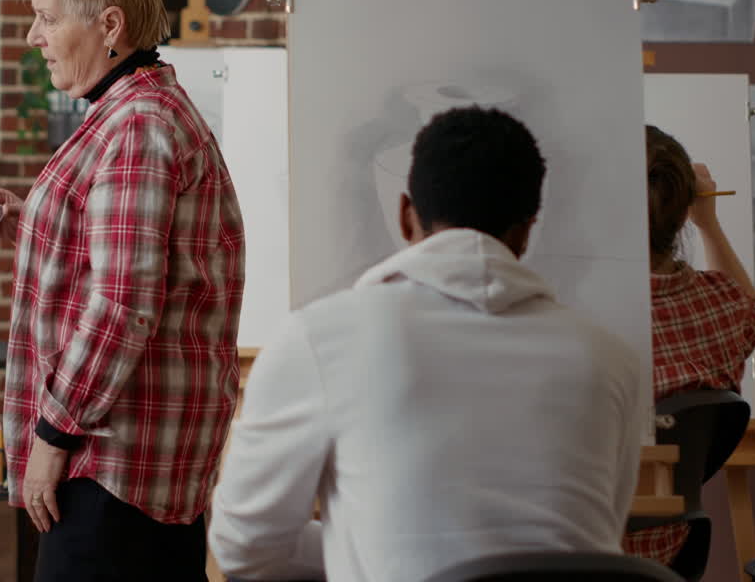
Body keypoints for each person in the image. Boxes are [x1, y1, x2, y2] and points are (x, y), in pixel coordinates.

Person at [208, 106, 648, 582]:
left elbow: (242, 548)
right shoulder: (612, 361)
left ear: (405, 215)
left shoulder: (319, 340)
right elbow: (596, 535)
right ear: (526, 229)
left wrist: (361, 543)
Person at [0, 0, 245, 581]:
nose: (33, 37)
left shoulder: (135, 128)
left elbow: (121, 305)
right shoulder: (134, 112)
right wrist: (23, 222)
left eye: (46, 18)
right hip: (128, 468)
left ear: (110, 24)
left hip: (113, 470)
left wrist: (51, 436)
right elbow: (120, 265)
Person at [623, 126, 755, 566]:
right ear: (684, 209)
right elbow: (751, 309)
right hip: (669, 553)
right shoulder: (722, 310)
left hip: (580, 550)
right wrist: (708, 222)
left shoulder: (587, 311)